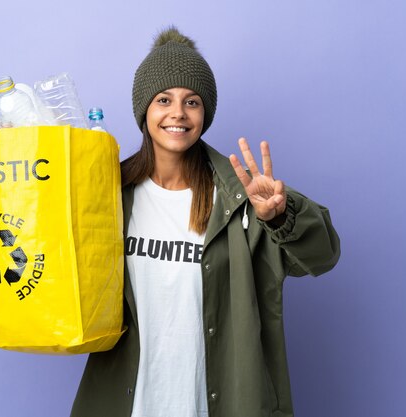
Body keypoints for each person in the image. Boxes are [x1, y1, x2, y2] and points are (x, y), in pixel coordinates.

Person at [71, 26, 340, 417]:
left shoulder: (239, 199)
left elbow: (323, 255)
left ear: (205, 114)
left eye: (192, 101)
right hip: (129, 402)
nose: (177, 113)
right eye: (164, 99)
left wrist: (281, 217)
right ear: (144, 109)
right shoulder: (109, 193)